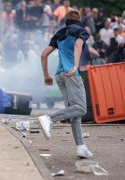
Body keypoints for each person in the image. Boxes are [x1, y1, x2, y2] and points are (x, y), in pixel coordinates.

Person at [39, 8, 93, 158]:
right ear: (78, 21)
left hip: (59, 75)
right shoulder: (81, 31)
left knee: (74, 111)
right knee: (81, 108)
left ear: (66, 21)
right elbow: (77, 46)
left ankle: (81, 146)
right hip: (71, 73)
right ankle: (49, 119)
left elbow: (44, 55)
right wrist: (76, 65)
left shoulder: (59, 34)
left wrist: (46, 75)